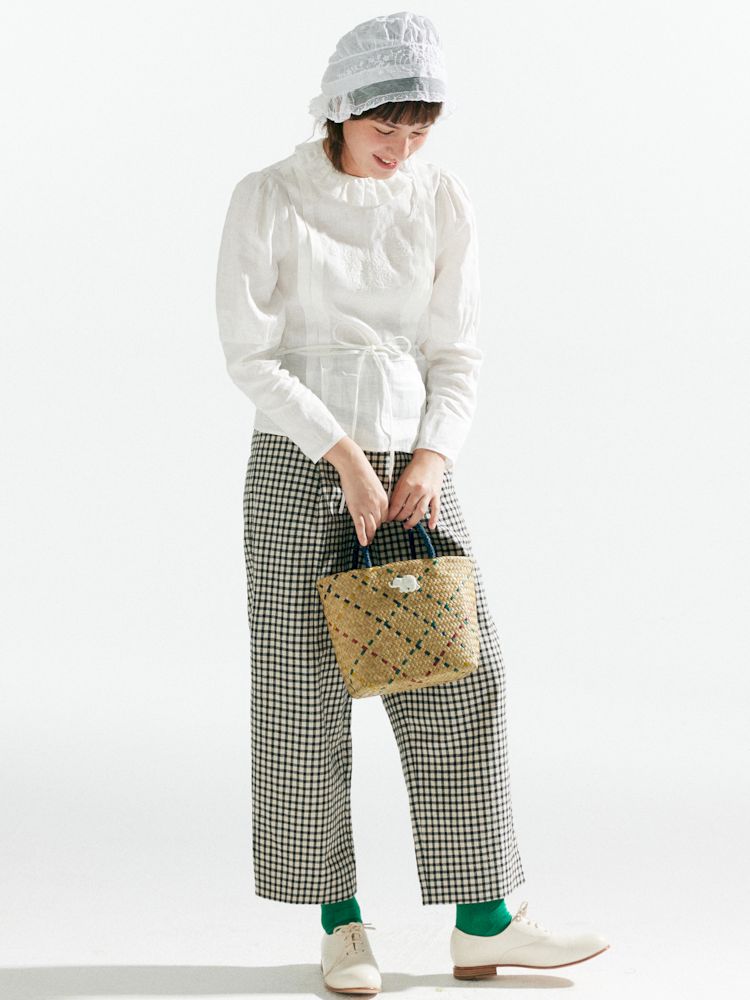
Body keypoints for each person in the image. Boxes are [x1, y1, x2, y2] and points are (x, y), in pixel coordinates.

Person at [215, 11, 610, 994]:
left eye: (419, 129)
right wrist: (345, 458)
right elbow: (249, 355)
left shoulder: (441, 199)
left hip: (416, 471)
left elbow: (456, 352)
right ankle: (340, 924)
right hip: (301, 463)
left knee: (463, 673)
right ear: (339, 110)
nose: (400, 148)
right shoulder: (268, 197)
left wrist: (432, 456)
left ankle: (485, 921)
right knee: (305, 695)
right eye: (383, 127)